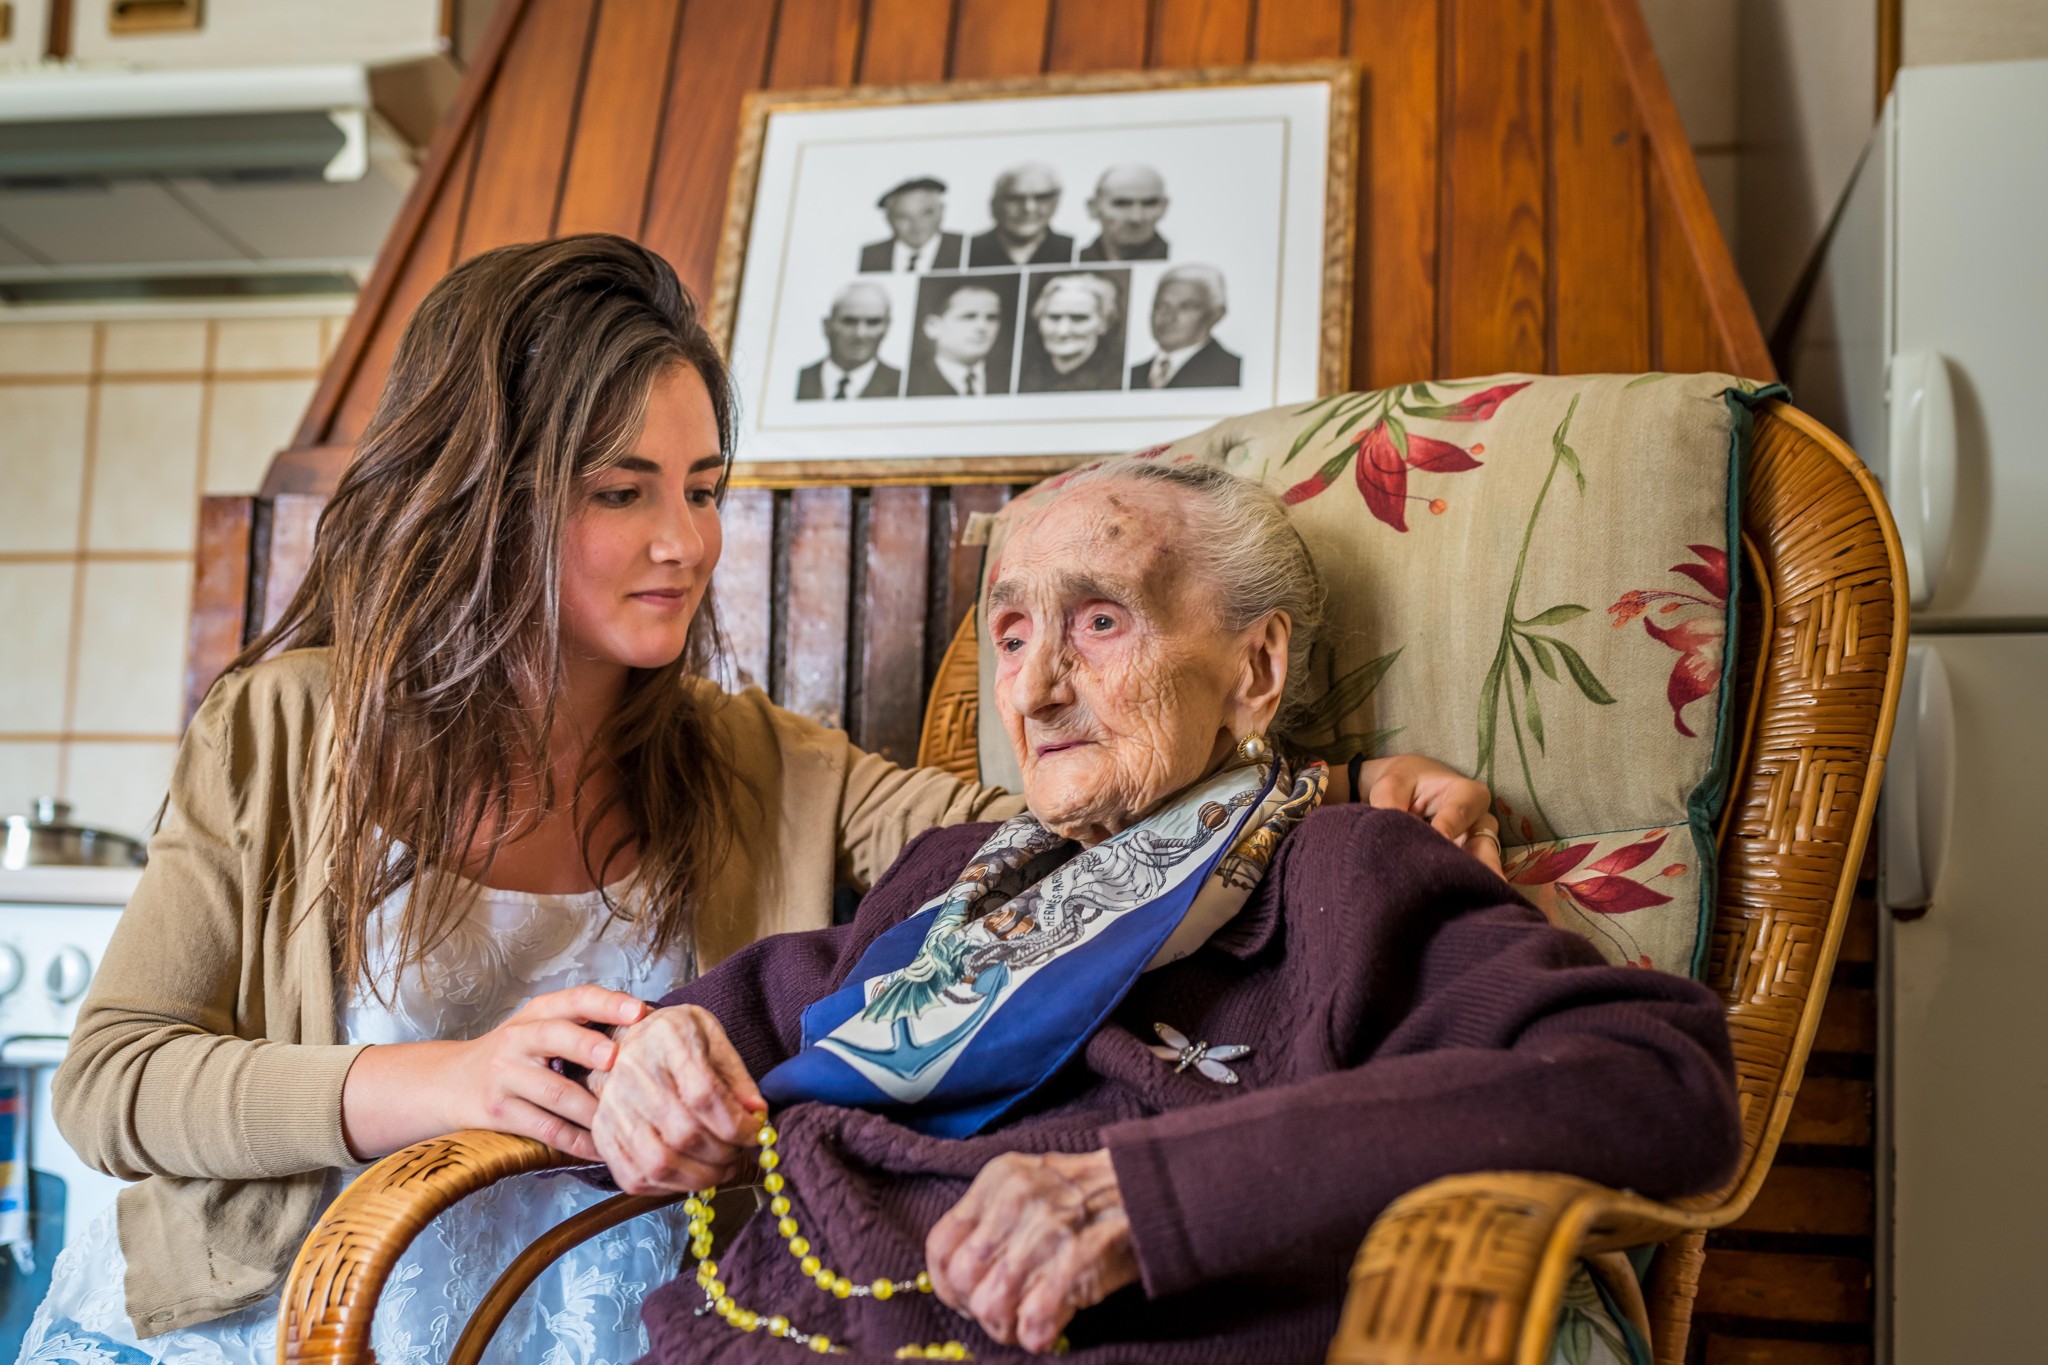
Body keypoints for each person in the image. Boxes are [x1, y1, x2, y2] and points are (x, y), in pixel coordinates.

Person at [23, 235, 1495, 1365]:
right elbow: (113, 1081)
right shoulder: (287, 730)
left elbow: (1072, 810)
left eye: (704, 486)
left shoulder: (763, 763)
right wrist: (452, 1082)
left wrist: (1335, 784)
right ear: (489, 493)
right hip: (278, 1319)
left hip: (609, 1324)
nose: (684, 541)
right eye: (622, 492)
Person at [589, 459, 1741, 1363]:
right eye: (1011, 635)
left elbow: (1655, 1077)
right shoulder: (961, 875)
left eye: (1098, 621)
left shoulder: (1344, 872)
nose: (1036, 689)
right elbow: (725, 1024)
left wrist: (1152, 1197)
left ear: (1255, 671)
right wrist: (651, 1060)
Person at [1131, 264, 1242, 390]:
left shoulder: (1233, 371)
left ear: (1215, 315)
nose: (1168, 317)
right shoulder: (1132, 375)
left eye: (1185, 307)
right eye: (1161, 306)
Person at [1018, 272, 1125, 393]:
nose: (1063, 331)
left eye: (1079, 318)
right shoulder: (1020, 374)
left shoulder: (1120, 378)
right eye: (1054, 317)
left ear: (1104, 324)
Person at [796, 282, 903, 400]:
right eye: (849, 321)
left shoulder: (902, 383)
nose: (860, 334)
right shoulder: (797, 379)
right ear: (827, 325)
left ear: (887, 328)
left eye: (873, 322)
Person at [906, 279, 1011, 397]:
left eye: (992, 318)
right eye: (969, 317)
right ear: (933, 327)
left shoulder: (1011, 381)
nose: (982, 327)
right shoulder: (909, 383)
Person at [967, 162, 1075, 268]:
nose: (1029, 208)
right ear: (995, 204)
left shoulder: (1074, 251)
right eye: (1015, 198)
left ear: (1056, 202)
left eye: (1041, 198)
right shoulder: (966, 251)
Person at [858, 177, 965, 273]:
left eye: (925, 214)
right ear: (889, 219)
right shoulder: (869, 256)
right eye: (903, 217)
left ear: (941, 211)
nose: (916, 225)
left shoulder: (965, 247)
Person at [1078, 164, 1170, 261]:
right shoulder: (1077, 260)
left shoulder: (1178, 257)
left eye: (1149, 203)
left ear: (1164, 207)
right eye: (1121, 203)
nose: (1136, 218)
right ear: (1093, 208)